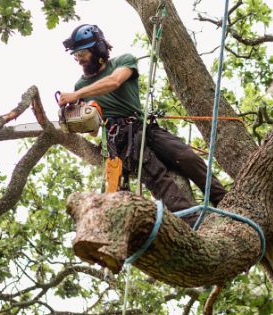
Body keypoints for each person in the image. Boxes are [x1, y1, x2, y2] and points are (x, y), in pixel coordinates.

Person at [58, 24, 226, 225]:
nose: (79, 59)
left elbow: (114, 82)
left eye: (83, 52)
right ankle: (193, 222)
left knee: (185, 155)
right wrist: (79, 117)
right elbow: (94, 132)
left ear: (98, 49)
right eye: (76, 55)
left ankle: (223, 200)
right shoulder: (81, 85)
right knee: (157, 176)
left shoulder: (123, 61)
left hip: (142, 126)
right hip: (120, 138)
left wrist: (77, 95)